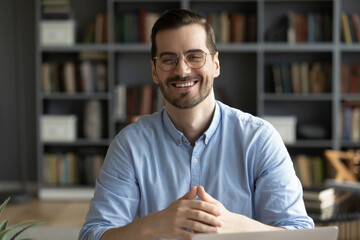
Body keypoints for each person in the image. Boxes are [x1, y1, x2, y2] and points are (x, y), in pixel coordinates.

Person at [79, 9, 314, 240]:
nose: (182, 70)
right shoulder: (128, 145)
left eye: (194, 56)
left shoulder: (260, 140)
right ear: (154, 70)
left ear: (216, 64)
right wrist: (152, 225)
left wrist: (240, 228)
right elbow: (92, 235)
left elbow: (302, 234)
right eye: (169, 59)